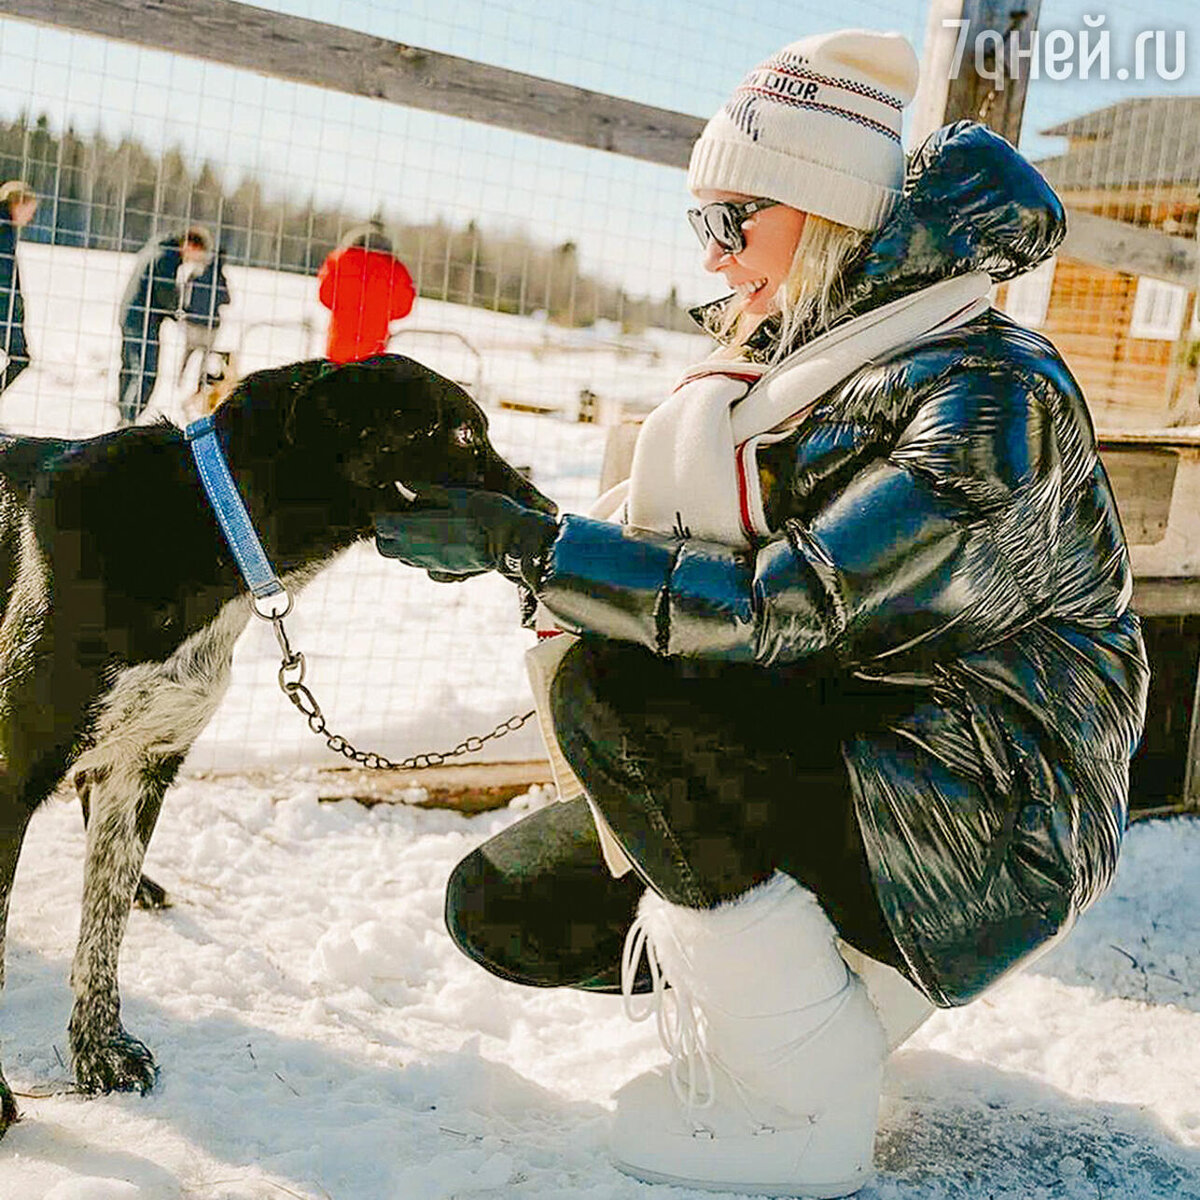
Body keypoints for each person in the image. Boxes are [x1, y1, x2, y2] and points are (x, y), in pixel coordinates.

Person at [373, 29, 1149, 1199]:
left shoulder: (993, 392)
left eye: (736, 217)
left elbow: (790, 603)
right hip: (854, 732)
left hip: (992, 804)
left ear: (826, 209)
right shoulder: (812, 359)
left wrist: (522, 547)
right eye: (705, 222)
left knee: (615, 686)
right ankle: (829, 993)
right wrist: (510, 521)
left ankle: (799, 1088)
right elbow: (680, 566)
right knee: (508, 910)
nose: (716, 253)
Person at [117, 225, 212, 426]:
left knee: (130, 368)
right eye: (197, 254)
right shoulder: (168, 258)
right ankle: (129, 419)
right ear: (189, 245)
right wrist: (179, 311)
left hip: (130, 315)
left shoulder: (156, 248)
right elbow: (164, 292)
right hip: (144, 320)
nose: (194, 260)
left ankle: (124, 414)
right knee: (147, 371)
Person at [317, 220, 415, 363]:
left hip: (339, 343)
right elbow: (403, 308)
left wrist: (345, 306)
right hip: (374, 347)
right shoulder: (395, 269)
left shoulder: (339, 260)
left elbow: (325, 295)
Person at [0, 180, 37, 397]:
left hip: (7, 308)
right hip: (4, 310)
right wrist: (14, 314)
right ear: (18, 203)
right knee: (20, 356)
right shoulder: (4, 229)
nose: (30, 218)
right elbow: (5, 278)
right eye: (29, 211)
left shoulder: (7, 228)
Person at [177, 243, 231, 389]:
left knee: (187, 353)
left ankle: (179, 380)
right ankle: (199, 384)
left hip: (193, 322)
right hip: (210, 325)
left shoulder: (196, 273)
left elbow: (185, 294)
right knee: (204, 358)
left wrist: (186, 309)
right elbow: (227, 300)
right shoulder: (221, 279)